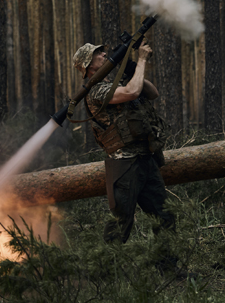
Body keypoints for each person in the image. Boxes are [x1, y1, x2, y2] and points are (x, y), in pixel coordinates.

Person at [72, 41, 175, 244]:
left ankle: (169, 269)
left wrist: (132, 67)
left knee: (165, 216)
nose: (104, 54)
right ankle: (109, 272)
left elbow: (152, 93)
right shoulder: (96, 91)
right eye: (98, 53)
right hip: (125, 165)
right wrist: (143, 60)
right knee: (120, 224)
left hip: (146, 159)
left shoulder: (117, 84)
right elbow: (132, 92)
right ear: (89, 65)